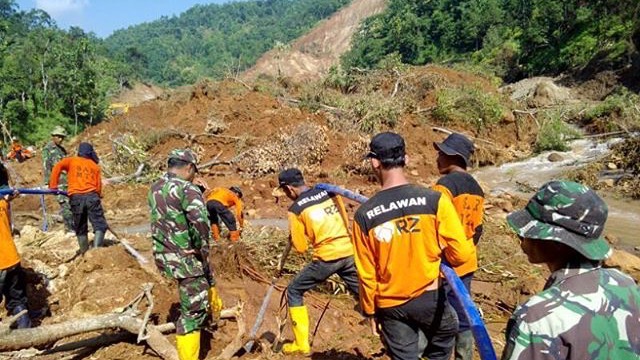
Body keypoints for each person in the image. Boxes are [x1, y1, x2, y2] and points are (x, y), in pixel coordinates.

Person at [351, 132, 473, 360]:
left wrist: (369, 311)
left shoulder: (364, 215)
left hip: (391, 306)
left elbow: (366, 273)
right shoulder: (434, 200)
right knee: (443, 342)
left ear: (374, 162)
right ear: (406, 159)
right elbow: (462, 254)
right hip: (430, 299)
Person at [502, 180, 640, 360]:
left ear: (556, 242)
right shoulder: (626, 283)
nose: (521, 237)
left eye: (529, 232)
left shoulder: (535, 317)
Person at [148, 149, 223, 360]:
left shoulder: (155, 187)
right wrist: (201, 249)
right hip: (187, 259)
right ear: (189, 167)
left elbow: (168, 217)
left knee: (203, 285)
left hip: (165, 257)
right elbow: (200, 222)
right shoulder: (188, 189)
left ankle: (213, 314)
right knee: (192, 314)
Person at [276, 167, 360, 355]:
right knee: (364, 293)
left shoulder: (295, 209)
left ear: (289, 189)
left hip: (326, 258)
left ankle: (301, 344)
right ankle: (385, 327)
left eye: (284, 191)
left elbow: (301, 247)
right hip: (348, 251)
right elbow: (345, 222)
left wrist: (298, 232)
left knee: (294, 290)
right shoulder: (329, 193)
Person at [431, 133, 484, 360]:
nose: (437, 158)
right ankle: (465, 355)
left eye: (441, 154)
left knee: (441, 314)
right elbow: (478, 228)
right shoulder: (477, 188)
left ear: (453, 157)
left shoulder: (444, 187)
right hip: (468, 259)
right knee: (463, 311)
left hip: (445, 262)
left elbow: (433, 224)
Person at [49, 142, 107, 254]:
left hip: (76, 198)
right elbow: (98, 186)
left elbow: (57, 166)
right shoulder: (94, 166)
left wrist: (53, 186)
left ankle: (85, 253)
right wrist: (98, 195)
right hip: (92, 197)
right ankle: (96, 252)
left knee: (80, 226)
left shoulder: (71, 161)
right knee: (100, 225)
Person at [0, 162, 31, 328]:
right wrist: (8, 195)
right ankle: (25, 332)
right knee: (16, 299)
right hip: (11, 259)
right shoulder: (3, 205)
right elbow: (5, 196)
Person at [42, 126, 74, 232]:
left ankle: (73, 227)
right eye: (58, 137)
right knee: (65, 206)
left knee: (71, 205)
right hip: (58, 182)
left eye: (62, 137)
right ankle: (69, 229)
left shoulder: (62, 150)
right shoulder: (48, 149)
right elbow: (46, 166)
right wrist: (48, 182)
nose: (60, 139)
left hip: (67, 182)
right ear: (53, 136)